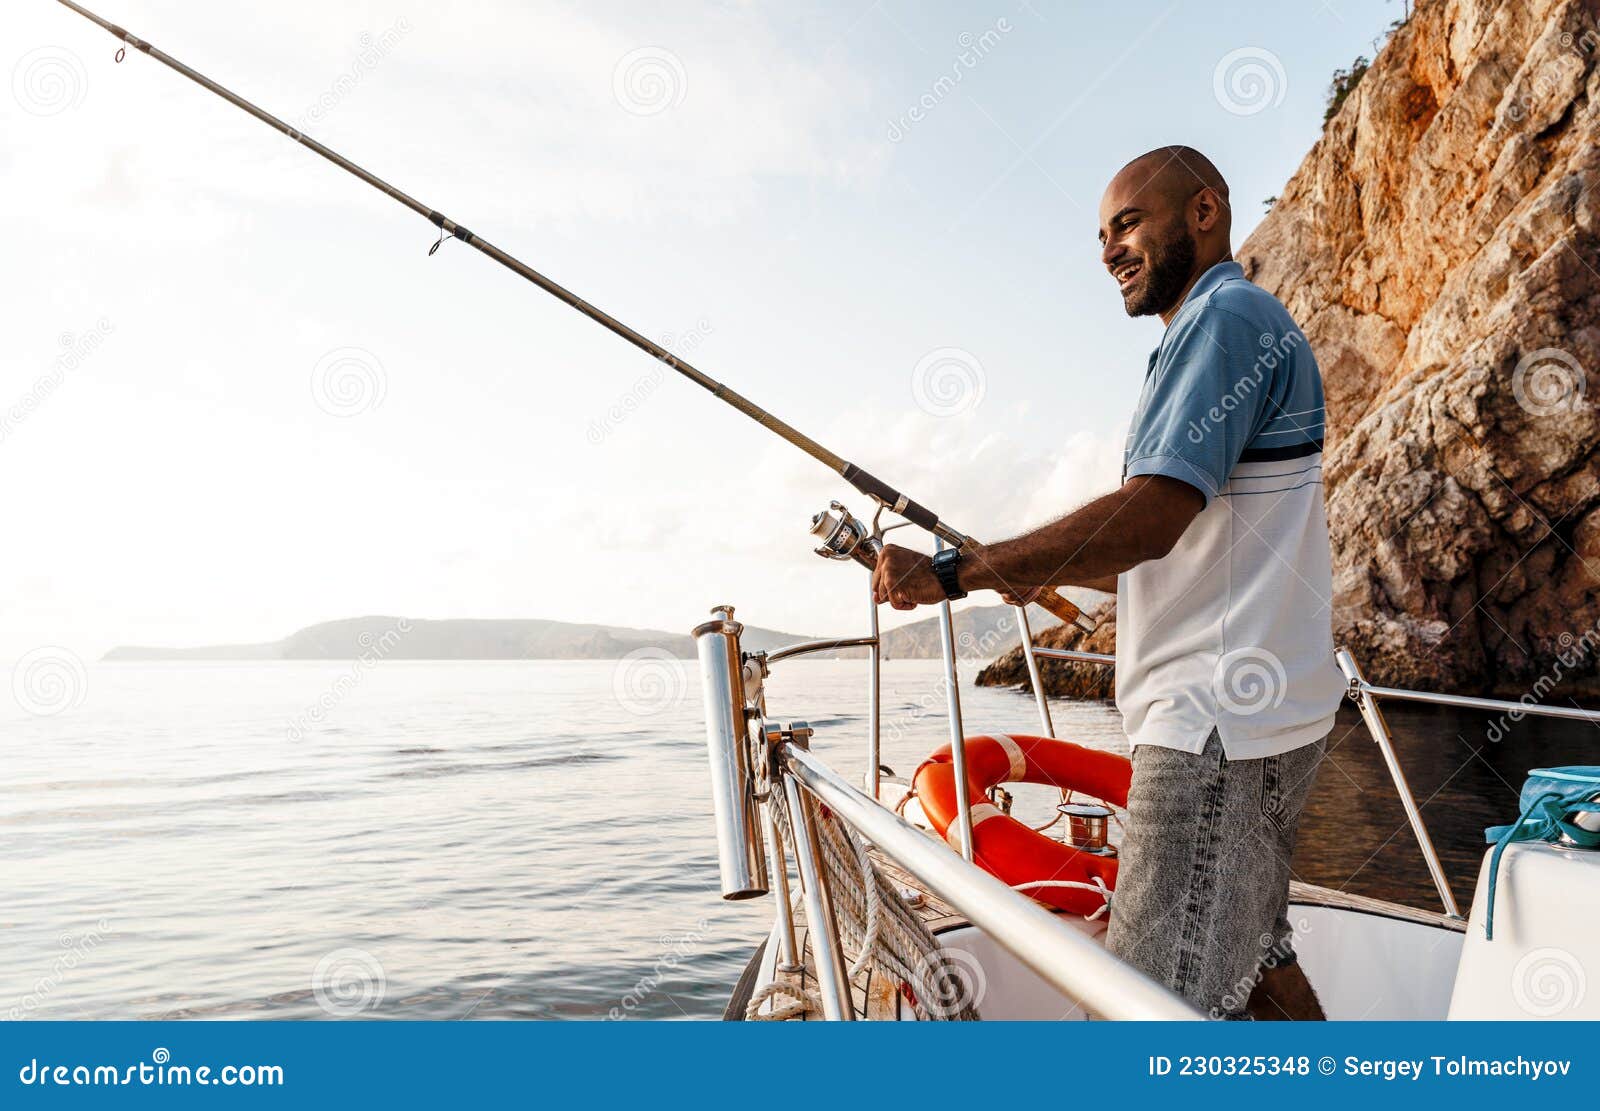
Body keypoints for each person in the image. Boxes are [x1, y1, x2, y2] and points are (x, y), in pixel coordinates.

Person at [870, 146, 1345, 1020]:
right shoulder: (1228, 326)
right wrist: (1027, 565)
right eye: (1100, 233)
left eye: (1128, 221)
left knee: (1138, 1012)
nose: (1108, 250)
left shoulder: (1224, 321)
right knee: (1257, 963)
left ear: (1205, 212)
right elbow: (1180, 532)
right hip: (1269, 714)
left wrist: (954, 572)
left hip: (1214, 726)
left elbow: (1149, 515)